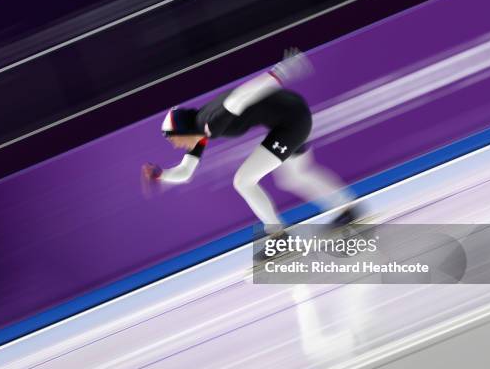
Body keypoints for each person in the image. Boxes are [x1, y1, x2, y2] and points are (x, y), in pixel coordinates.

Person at [142, 49, 360, 237]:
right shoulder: (200, 132)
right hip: (292, 115)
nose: (175, 146)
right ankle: (347, 209)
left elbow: (240, 97)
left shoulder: (210, 121)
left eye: (173, 139)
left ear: (183, 131)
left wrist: (280, 72)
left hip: (291, 121)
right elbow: (186, 171)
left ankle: (278, 236)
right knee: (295, 176)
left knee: (244, 181)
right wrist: (161, 176)